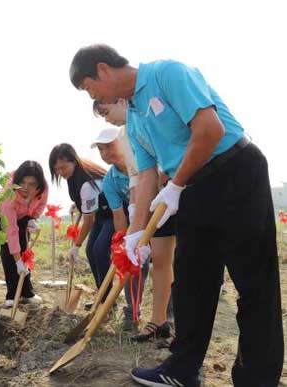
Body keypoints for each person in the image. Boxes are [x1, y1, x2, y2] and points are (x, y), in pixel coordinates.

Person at [70, 43, 283, 387]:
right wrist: (136, 235)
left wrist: (177, 185)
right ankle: (182, 368)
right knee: (191, 280)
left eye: (88, 87)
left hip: (235, 171)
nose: (90, 94)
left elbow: (209, 130)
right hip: (193, 187)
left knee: (253, 283)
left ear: (103, 69)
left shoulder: (167, 73)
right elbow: (145, 178)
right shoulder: (136, 119)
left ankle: (256, 377)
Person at [93, 101, 176, 341]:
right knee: (160, 260)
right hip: (150, 198)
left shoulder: (146, 119)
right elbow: (136, 177)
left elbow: (160, 165)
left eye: (107, 111)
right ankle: (158, 321)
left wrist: (169, 184)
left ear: (120, 101)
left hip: (173, 189)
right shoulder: (124, 133)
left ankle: (173, 318)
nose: (107, 119)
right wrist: (133, 225)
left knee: (179, 261)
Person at [48, 144, 113, 302]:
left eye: (64, 167)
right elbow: (87, 203)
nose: (61, 172)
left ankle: (108, 298)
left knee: (99, 250)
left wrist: (76, 246)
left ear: (74, 161)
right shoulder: (73, 177)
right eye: (57, 169)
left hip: (114, 214)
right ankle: (102, 294)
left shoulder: (86, 181)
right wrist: (78, 204)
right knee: (90, 251)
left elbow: (88, 220)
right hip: (100, 214)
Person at [0, 160, 48, 306]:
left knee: (25, 249)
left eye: (31, 184)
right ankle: (12, 295)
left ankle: (27, 292)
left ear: (38, 184)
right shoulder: (9, 192)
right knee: (9, 252)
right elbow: (11, 230)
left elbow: (41, 203)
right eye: (23, 182)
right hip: (1, 216)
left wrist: (33, 218)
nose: (26, 187)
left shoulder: (43, 188)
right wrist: (17, 260)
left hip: (24, 215)